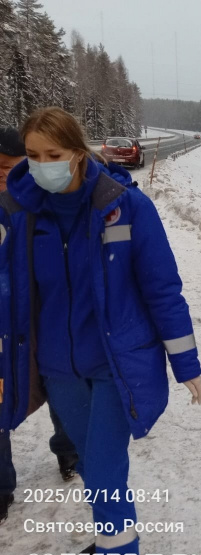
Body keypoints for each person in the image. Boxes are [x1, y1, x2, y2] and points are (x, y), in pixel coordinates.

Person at [1, 107, 201, 555]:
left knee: (107, 482)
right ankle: (114, 533)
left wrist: (186, 362)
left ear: (77, 152)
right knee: (95, 472)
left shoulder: (127, 207)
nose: (42, 164)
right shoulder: (24, 213)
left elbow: (161, 289)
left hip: (116, 368)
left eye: (53, 154)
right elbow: (11, 295)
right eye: (32, 155)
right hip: (59, 370)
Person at [0, 127, 79, 526]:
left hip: (43, 318)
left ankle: (68, 451)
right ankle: (0, 487)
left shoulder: (37, 203)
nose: (0, 176)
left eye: (7, 167)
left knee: (58, 391)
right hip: (4, 325)